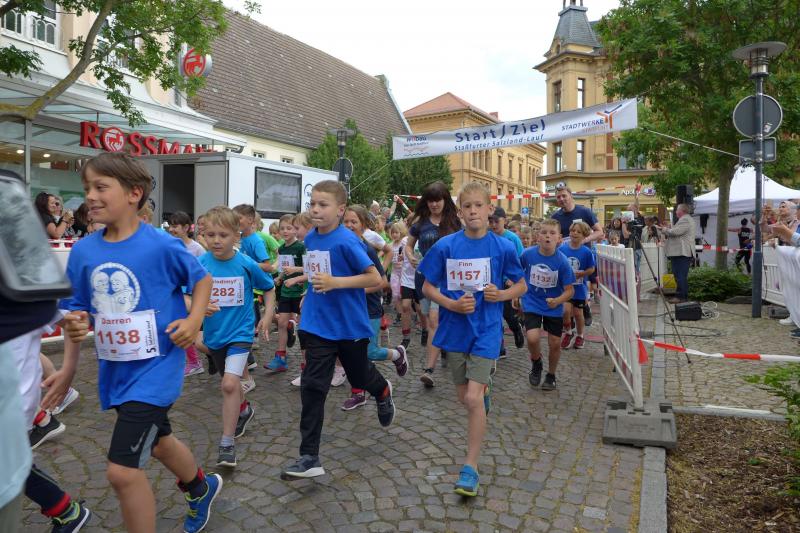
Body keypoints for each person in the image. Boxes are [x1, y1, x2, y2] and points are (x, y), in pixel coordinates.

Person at [43, 152, 222, 533]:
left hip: (157, 370)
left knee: (122, 472)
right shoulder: (85, 250)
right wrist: (68, 368)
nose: (90, 196)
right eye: (87, 188)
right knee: (159, 442)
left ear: (133, 193)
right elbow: (76, 311)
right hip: (117, 371)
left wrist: (193, 321)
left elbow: (202, 280)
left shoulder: (161, 245)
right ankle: (200, 488)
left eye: (100, 187)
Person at [418, 181, 526, 497]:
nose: (474, 211)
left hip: (487, 331)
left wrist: (502, 294)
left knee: (473, 399)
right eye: (468, 206)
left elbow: (521, 285)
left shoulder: (503, 247)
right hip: (455, 330)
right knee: (465, 398)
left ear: (489, 209)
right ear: (460, 212)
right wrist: (450, 304)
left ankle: (470, 467)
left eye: (479, 205)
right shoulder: (446, 246)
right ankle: (482, 393)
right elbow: (427, 286)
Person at [283, 180, 395, 479]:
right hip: (318, 323)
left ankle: (382, 390)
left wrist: (336, 283)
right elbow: (318, 271)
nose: (315, 209)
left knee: (360, 376)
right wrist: (305, 283)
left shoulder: (348, 241)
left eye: (323, 204)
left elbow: (375, 278)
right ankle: (309, 456)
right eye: (313, 203)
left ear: (340, 209)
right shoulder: (311, 238)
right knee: (313, 387)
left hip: (348, 325)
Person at [195, 206, 275, 468]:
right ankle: (244, 409)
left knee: (229, 384)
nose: (216, 241)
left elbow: (269, 288)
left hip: (241, 333)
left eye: (223, 235)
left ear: (236, 236)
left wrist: (267, 316)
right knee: (229, 382)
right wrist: (197, 308)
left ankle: (227, 444)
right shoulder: (199, 264)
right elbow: (184, 295)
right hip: (214, 335)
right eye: (210, 235)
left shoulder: (246, 264)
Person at [341, 205, 408, 411]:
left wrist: (357, 290)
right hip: (349, 308)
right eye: (346, 222)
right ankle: (358, 393)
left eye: (354, 222)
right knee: (351, 353)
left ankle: (397, 355)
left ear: (364, 225)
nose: (349, 225)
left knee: (369, 352)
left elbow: (382, 282)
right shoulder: (342, 247)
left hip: (369, 307)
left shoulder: (367, 249)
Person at [405, 181, 462, 387]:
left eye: (438, 200)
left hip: (448, 279)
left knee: (434, 321)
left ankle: (429, 369)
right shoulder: (420, 223)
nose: (434, 204)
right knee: (431, 320)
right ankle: (442, 346)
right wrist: (411, 256)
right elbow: (408, 246)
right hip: (425, 277)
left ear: (445, 200)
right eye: (430, 201)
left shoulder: (455, 221)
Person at [518, 219, 576, 391]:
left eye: (552, 233)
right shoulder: (527, 254)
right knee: (532, 338)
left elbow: (570, 291)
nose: (547, 236)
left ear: (559, 238)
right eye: (544, 233)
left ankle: (551, 375)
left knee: (555, 343)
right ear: (538, 236)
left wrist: (557, 301)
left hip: (553, 306)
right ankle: (536, 362)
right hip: (532, 301)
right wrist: (516, 290)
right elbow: (517, 273)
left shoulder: (562, 262)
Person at [266, 213, 306, 373]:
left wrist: (295, 272)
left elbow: (309, 267)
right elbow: (284, 267)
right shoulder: (281, 248)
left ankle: (306, 363)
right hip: (286, 292)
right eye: (282, 228)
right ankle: (280, 358)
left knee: (303, 329)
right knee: (282, 323)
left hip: (300, 293)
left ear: (295, 229)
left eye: (289, 228)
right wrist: (280, 278)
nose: (285, 231)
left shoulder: (301, 247)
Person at [488, 207, 525, 355]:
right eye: (490, 221)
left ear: (505, 221)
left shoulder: (512, 238)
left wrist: (513, 280)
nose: (493, 225)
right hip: (491, 281)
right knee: (494, 315)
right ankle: (500, 347)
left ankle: (516, 329)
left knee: (508, 314)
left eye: (496, 221)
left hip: (507, 282)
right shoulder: (486, 236)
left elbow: (521, 260)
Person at [559, 222, 596, 350]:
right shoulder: (562, 249)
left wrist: (583, 274)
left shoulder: (586, 252)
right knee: (565, 311)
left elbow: (591, 269)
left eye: (578, 232)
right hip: (566, 287)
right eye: (573, 230)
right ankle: (568, 332)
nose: (574, 233)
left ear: (584, 236)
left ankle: (580, 335)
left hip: (579, 288)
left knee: (578, 314)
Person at [659, 203, 696, 303]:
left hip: (681, 252)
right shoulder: (685, 219)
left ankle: (681, 297)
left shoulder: (685, 219)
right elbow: (676, 231)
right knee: (679, 275)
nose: (675, 212)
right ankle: (682, 296)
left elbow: (675, 232)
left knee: (680, 276)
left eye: (677, 210)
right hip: (681, 252)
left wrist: (664, 229)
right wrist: (668, 228)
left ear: (682, 211)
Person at [621, 202, 646, 274]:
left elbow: (641, 231)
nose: (628, 212)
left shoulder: (640, 219)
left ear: (636, 210)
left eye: (630, 210)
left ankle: (637, 279)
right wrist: (624, 223)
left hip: (637, 246)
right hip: (628, 246)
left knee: (636, 269)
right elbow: (626, 235)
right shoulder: (626, 221)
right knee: (630, 269)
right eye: (627, 210)